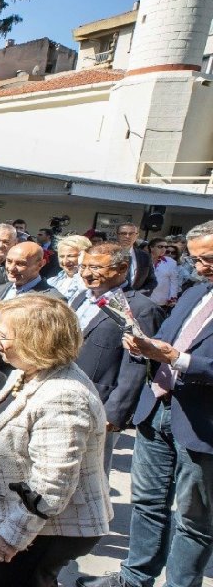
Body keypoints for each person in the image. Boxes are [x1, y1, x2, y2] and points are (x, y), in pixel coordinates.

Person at [81, 222, 213, 587]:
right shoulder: (194, 293)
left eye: (208, 259)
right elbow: (164, 341)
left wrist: (178, 358)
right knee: (147, 504)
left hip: (202, 425)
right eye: (196, 259)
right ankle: (134, 578)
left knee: (194, 519)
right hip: (157, 410)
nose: (200, 267)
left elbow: (180, 354)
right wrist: (144, 346)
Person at [0, 295, 110, 587]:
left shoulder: (63, 395)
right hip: (21, 521)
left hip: (43, 531)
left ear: (33, 341)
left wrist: (12, 536)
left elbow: (52, 483)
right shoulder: (26, 371)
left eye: (2, 335)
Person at [72, 242, 164, 472]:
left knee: (91, 476)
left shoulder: (140, 308)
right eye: (83, 266)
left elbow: (138, 365)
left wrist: (115, 411)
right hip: (65, 393)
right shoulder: (80, 298)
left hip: (99, 402)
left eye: (94, 267)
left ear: (121, 268)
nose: (85, 273)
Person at [0, 241, 65, 372]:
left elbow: (42, 346)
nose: (11, 268)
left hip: (14, 372)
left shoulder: (51, 300)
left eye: (20, 264)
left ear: (40, 264)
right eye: (9, 261)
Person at [117, 222, 157, 294]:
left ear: (137, 235)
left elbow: (152, 281)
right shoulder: (107, 254)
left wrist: (140, 294)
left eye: (131, 233)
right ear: (117, 235)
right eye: (123, 233)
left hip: (135, 300)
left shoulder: (144, 256)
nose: (127, 236)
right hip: (111, 299)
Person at [49, 235, 92, 299]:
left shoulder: (90, 283)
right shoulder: (52, 281)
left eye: (71, 256)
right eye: (62, 256)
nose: (65, 261)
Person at [148, 238, 181, 308]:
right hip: (143, 297)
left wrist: (172, 297)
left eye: (165, 247)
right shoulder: (143, 259)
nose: (163, 249)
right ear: (151, 247)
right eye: (160, 247)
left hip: (160, 301)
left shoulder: (171, 262)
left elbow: (174, 282)